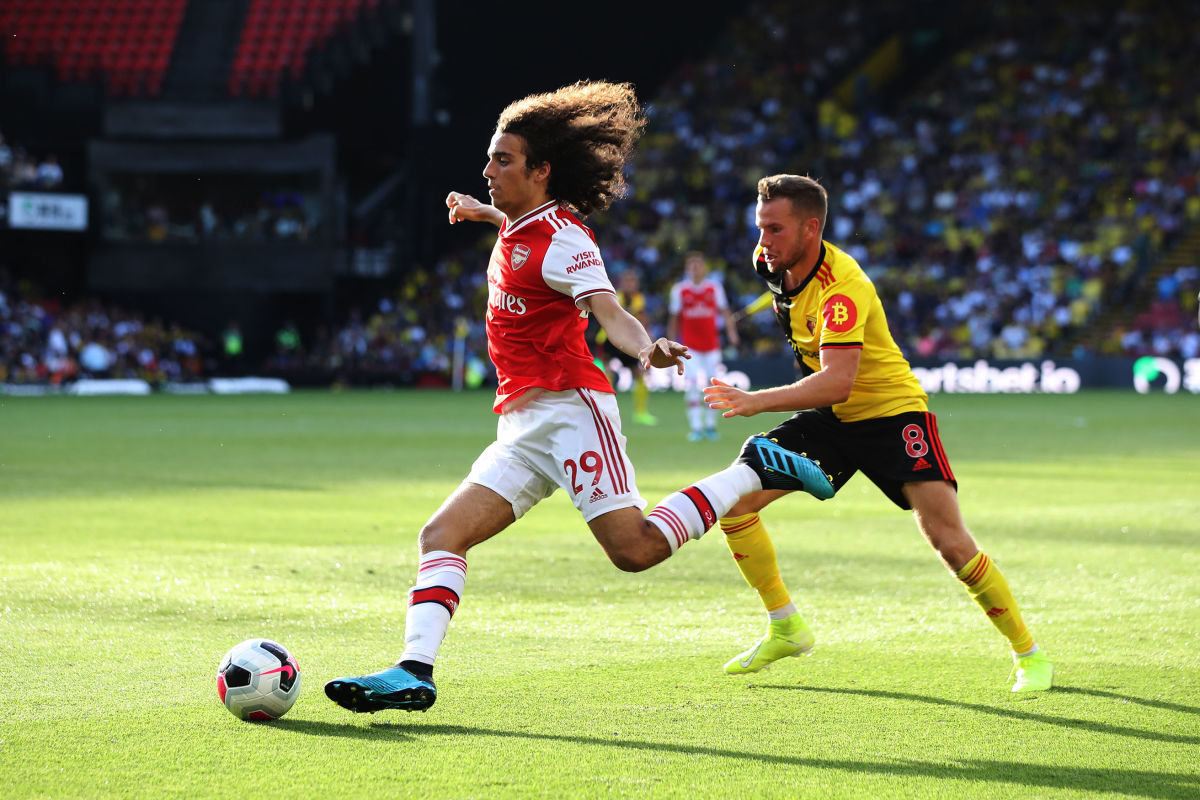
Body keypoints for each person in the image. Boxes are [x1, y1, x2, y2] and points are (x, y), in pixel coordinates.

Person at [324, 83, 834, 715]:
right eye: (488, 159)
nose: (487, 171)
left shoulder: (566, 240)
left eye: (502, 161)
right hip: (520, 424)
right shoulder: (516, 222)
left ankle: (751, 472)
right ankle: (413, 671)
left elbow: (608, 311)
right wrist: (480, 211)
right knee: (441, 535)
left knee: (636, 550)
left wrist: (645, 349)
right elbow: (515, 229)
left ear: (541, 171)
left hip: (572, 411)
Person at [703, 174, 1054, 692]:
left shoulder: (845, 287)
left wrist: (758, 402)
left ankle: (1030, 655)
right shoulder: (769, 264)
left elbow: (839, 381)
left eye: (775, 229)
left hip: (892, 416)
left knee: (951, 544)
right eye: (760, 228)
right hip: (832, 418)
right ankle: (786, 626)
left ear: (811, 228)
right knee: (738, 502)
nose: (764, 242)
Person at [667, 252, 739, 441]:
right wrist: (671, 341)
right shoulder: (679, 290)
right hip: (689, 347)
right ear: (687, 269)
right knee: (691, 385)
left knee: (712, 386)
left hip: (712, 346)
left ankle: (711, 426)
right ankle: (696, 427)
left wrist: (732, 333)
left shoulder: (714, 288)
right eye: (691, 265)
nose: (695, 268)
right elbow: (674, 318)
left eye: (698, 265)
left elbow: (725, 312)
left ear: (704, 268)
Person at [595, 269, 658, 425]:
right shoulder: (615, 296)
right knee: (607, 372)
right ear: (622, 284)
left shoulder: (639, 299)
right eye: (627, 281)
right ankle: (605, 411)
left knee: (638, 373)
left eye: (632, 281)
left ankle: (641, 413)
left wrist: (647, 336)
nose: (630, 284)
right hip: (609, 338)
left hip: (627, 339)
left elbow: (641, 318)